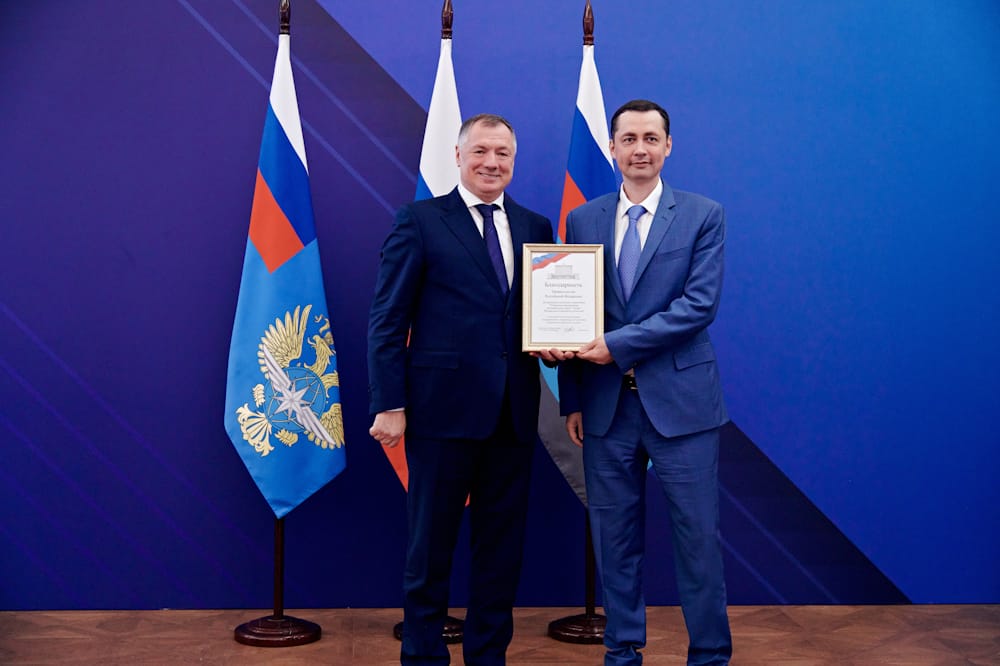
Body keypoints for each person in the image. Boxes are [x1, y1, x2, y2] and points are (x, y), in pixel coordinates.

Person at [367, 113, 554, 666]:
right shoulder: (420, 221)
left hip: (513, 414)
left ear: (514, 160)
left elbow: (539, 316)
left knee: (501, 552)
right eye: (480, 152)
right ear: (458, 155)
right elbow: (387, 319)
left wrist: (558, 344)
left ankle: (488, 657)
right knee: (430, 550)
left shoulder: (536, 226)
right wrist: (390, 403)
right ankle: (423, 657)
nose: (491, 163)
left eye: (503, 153)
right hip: (439, 415)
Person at [553, 99, 733, 665]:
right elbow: (575, 313)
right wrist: (572, 397)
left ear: (668, 146)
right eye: (628, 139)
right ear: (612, 147)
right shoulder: (583, 219)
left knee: (698, 540)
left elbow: (698, 307)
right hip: (604, 408)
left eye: (651, 139)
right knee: (614, 540)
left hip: (683, 407)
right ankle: (622, 652)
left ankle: (709, 656)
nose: (640, 149)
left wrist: (618, 345)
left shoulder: (703, 214)